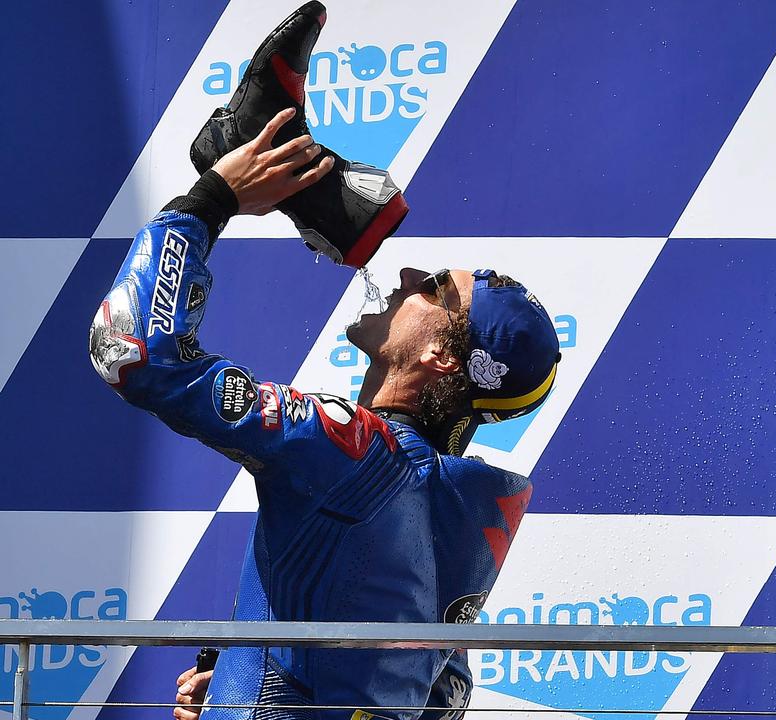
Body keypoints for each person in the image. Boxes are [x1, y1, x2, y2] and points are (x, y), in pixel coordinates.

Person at [90, 106, 560, 720]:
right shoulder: (463, 512)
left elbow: (133, 352)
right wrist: (245, 679)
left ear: (441, 354)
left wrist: (209, 202)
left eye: (435, 287)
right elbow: (439, 700)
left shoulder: (348, 448)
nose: (411, 272)